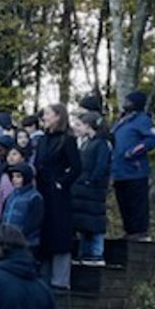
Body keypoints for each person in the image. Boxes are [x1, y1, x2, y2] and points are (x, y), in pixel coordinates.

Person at [34, 102, 81, 290]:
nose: (44, 117)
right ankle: (44, 278)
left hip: (58, 195)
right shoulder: (42, 140)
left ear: (58, 117)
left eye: (47, 114)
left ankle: (60, 281)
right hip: (42, 191)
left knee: (59, 234)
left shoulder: (67, 140)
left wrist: (61, 182)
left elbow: (77, 167)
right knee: (44, 233)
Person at [112, 89, 155, 238]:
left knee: (137, 204)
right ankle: (129, 232)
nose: (125, 104)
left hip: (135, 170)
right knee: (124, 203)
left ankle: (140, 232)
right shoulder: (121, 121)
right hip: (119, 171)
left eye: (129, 101)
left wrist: (133, 152)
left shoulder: (142, 120)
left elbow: (152, 139)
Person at [71, 110, 111, 262]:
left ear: (88, 126)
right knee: (85, 224)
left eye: (80, 125)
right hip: (84, 189)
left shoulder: (101, 144)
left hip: (93, 189)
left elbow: (101, 166)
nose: (77, 128)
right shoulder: (87, 143)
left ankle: (96, 253)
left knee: (95, 223)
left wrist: (91, 180)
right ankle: (85, 253)